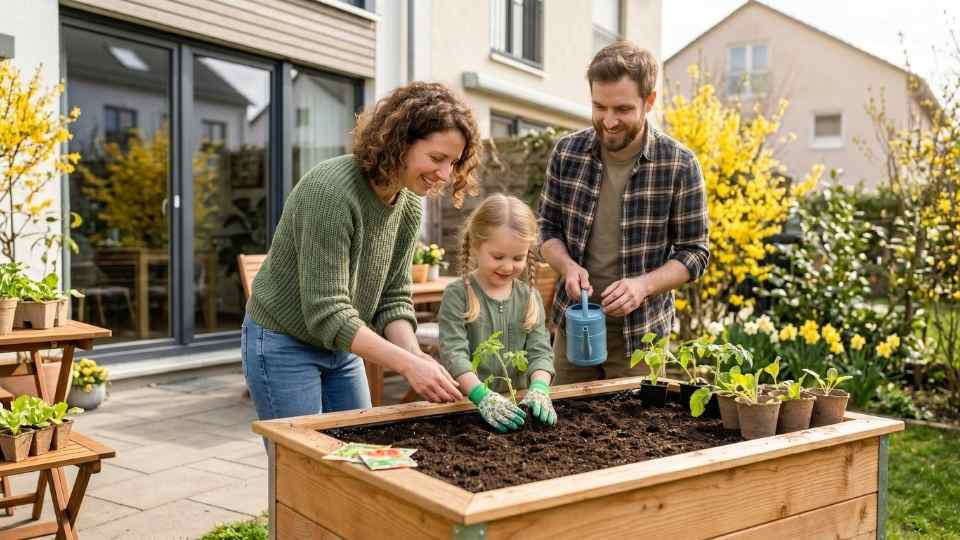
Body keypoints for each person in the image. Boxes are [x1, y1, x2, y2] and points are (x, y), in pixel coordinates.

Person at [241, 82, 481, 422]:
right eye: (436, 158)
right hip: (284, 342)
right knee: (301, 465)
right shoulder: (331, 193)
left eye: (453, 162)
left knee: (360, 453)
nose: (444, 174)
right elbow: (327, 311)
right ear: (399, 142)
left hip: (342, 343)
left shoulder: (409, 203)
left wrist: (415, 356)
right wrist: (407, 364)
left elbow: (393, 297)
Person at [539, 41, 710, 383]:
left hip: (641, 334)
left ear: (649, 102)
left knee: (633, 432)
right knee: (561, 428)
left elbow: (696, 253)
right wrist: (567, 266)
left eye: (622, 109)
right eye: (599, 106)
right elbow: (547, 230)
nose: (609, 120)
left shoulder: (679, 164)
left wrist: (643, 286)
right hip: (575, 321)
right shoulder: (566, 153)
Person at [437, 194, 557, 432]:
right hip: (467, 410)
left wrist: (540, 390)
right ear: (476, 246)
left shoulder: (528, 297)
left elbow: (540, 351)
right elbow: (454, 353)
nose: (508, 266)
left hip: (519, 408)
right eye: (498, 257)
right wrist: (482, 396)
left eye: (518, 258)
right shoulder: (458, 294)